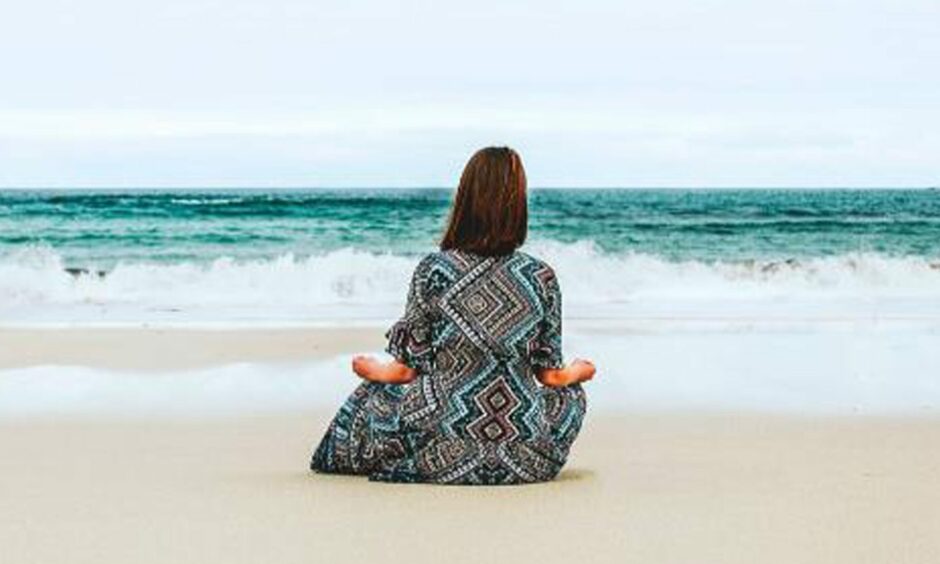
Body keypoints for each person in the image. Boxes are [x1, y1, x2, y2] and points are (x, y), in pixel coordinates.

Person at [310, 147, 596, 485]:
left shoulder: (435, 270)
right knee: (572, 395)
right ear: (518, 205)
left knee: (373, 394)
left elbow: (404, 371)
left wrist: (371, 371)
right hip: (525, 458)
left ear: (466, 201)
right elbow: (551, 379)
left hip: (439, 453)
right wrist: (579, 370)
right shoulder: (540, 277)